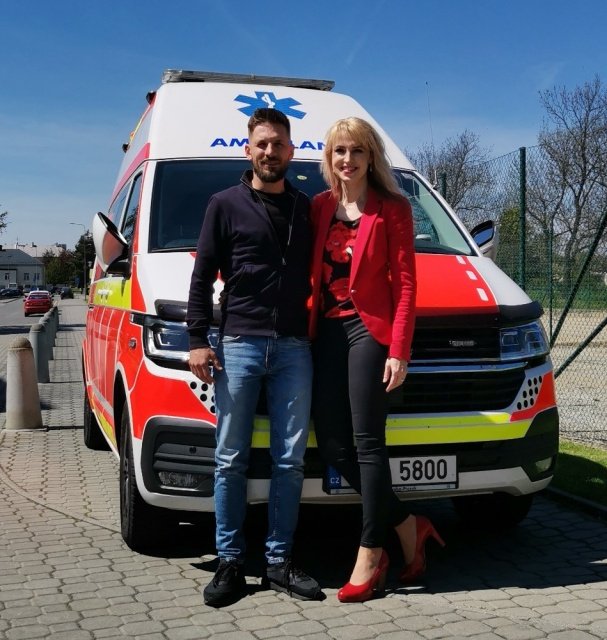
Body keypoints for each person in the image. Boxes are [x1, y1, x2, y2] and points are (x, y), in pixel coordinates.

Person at [187, 108, 322, 607]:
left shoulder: (307, 208)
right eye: (262, 143)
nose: (270, 151)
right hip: (238, 344)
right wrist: (197, 339)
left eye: (278, 143)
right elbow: (202, 276)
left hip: (294, 347)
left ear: (291, 151)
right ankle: (229, 562)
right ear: (248, 150)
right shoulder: (224, 204)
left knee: (290, 460)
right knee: (230, 459)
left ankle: (279, 562)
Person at [309, 117, 445, 603]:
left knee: (368, 442)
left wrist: (399, 351)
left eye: (357, 151)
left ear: (371, 157)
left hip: (368, 331)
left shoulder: (393, 208)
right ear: (330, 158)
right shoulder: (318, 207)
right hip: (324, 333)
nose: (347, 160)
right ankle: (409, 524)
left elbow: (406, 285)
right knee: (332, 444)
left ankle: (370, 553)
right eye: (339, 151)